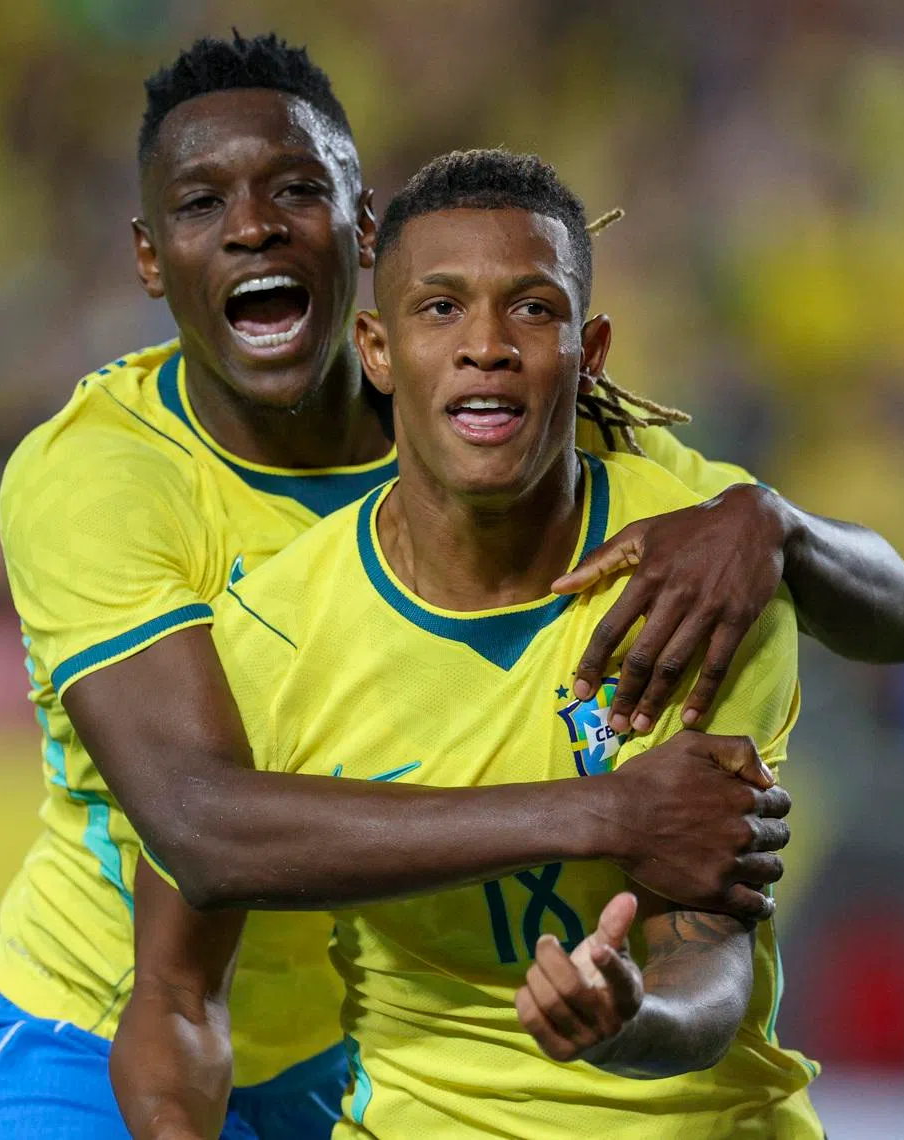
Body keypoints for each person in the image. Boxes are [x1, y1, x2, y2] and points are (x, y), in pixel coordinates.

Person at [0, 32, 904, 1139]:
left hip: (359, 1048)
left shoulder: (520, 426)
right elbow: (200, 826)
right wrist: (606, 815)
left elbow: (902, 619)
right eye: (203, 204)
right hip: (105, 1022)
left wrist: (774, 526)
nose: (252, 227)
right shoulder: (105, 482)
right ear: (150, 260)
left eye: (297, 190)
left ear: (362, 229)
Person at [113, 146, 824, 1140]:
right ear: (376, 348)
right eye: (440, 308)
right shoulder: (269, 634)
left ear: (591, 350)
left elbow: (708, 965)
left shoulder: (698, 583)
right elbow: (175, 997)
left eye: (531, 308)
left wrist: (629, 1022)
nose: (486, 345)